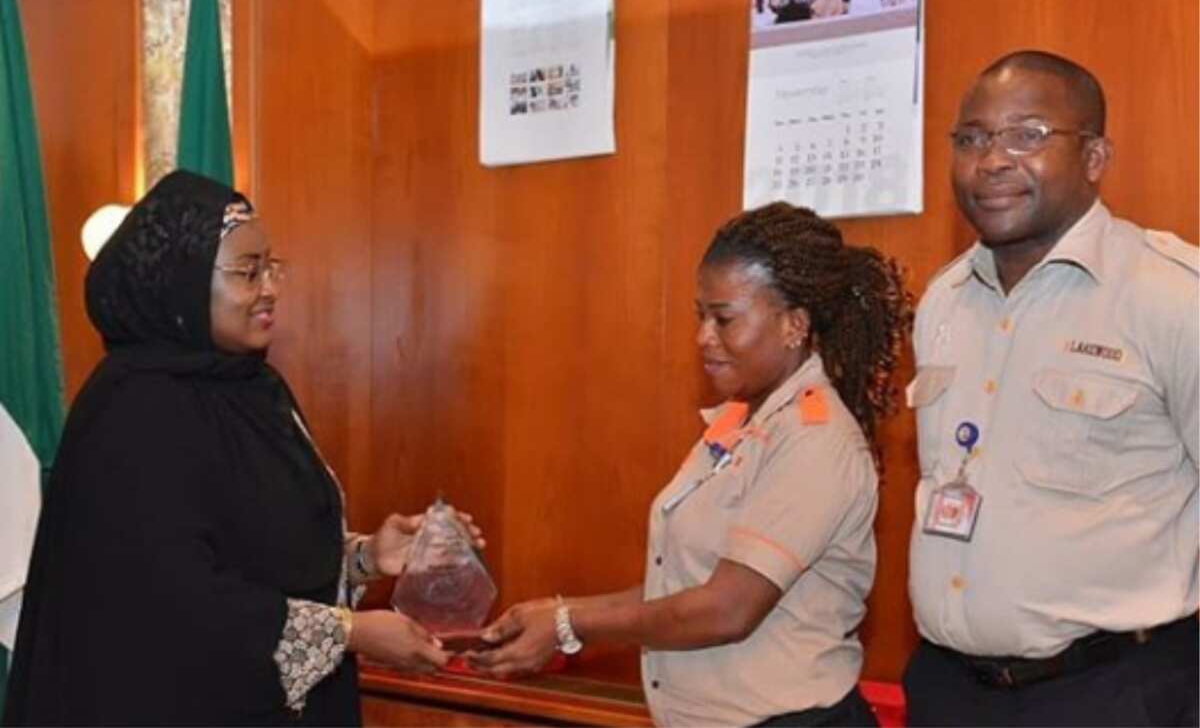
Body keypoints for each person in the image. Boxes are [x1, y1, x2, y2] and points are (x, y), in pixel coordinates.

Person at [3, 170, 482, 725]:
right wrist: (350, 632)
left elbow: (258, 551)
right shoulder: (133, 410)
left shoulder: (256, 390)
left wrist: (367, 556)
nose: (270, 288)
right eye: (247, 272)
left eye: (272, 267)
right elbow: (173, 599)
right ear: (180, 282)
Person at [467, 203, 913, 727]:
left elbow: (728, 609)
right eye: (699, 315)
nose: (703, 337)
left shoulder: (815, 438)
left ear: (794, 324)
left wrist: (572, 622)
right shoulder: (741, 420)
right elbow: (686, 584)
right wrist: (557, 614)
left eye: (723, 318)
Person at [904, 50, 1198, 726]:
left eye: (1027, 135)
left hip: (1111, 694)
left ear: (1095, 157)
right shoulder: (944, 300)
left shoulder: (1173, 297)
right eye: (972, 138)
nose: (992, 160)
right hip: (949, 690)